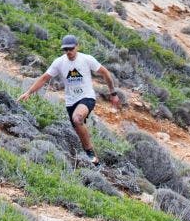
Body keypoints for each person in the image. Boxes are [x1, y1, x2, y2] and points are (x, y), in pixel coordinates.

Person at [18, 34, 120, 166]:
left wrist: (113, 93)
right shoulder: (59, 62)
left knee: (77, 119)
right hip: (71, 101)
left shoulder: (87, 59)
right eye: (65, 50)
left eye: (71, 49)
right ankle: (95, 161)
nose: (68, 52)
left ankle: (89, 153)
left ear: (77, 46)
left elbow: (105, 73)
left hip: (87, 97)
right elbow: (44, 78)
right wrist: (29, 92)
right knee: (78, 127)